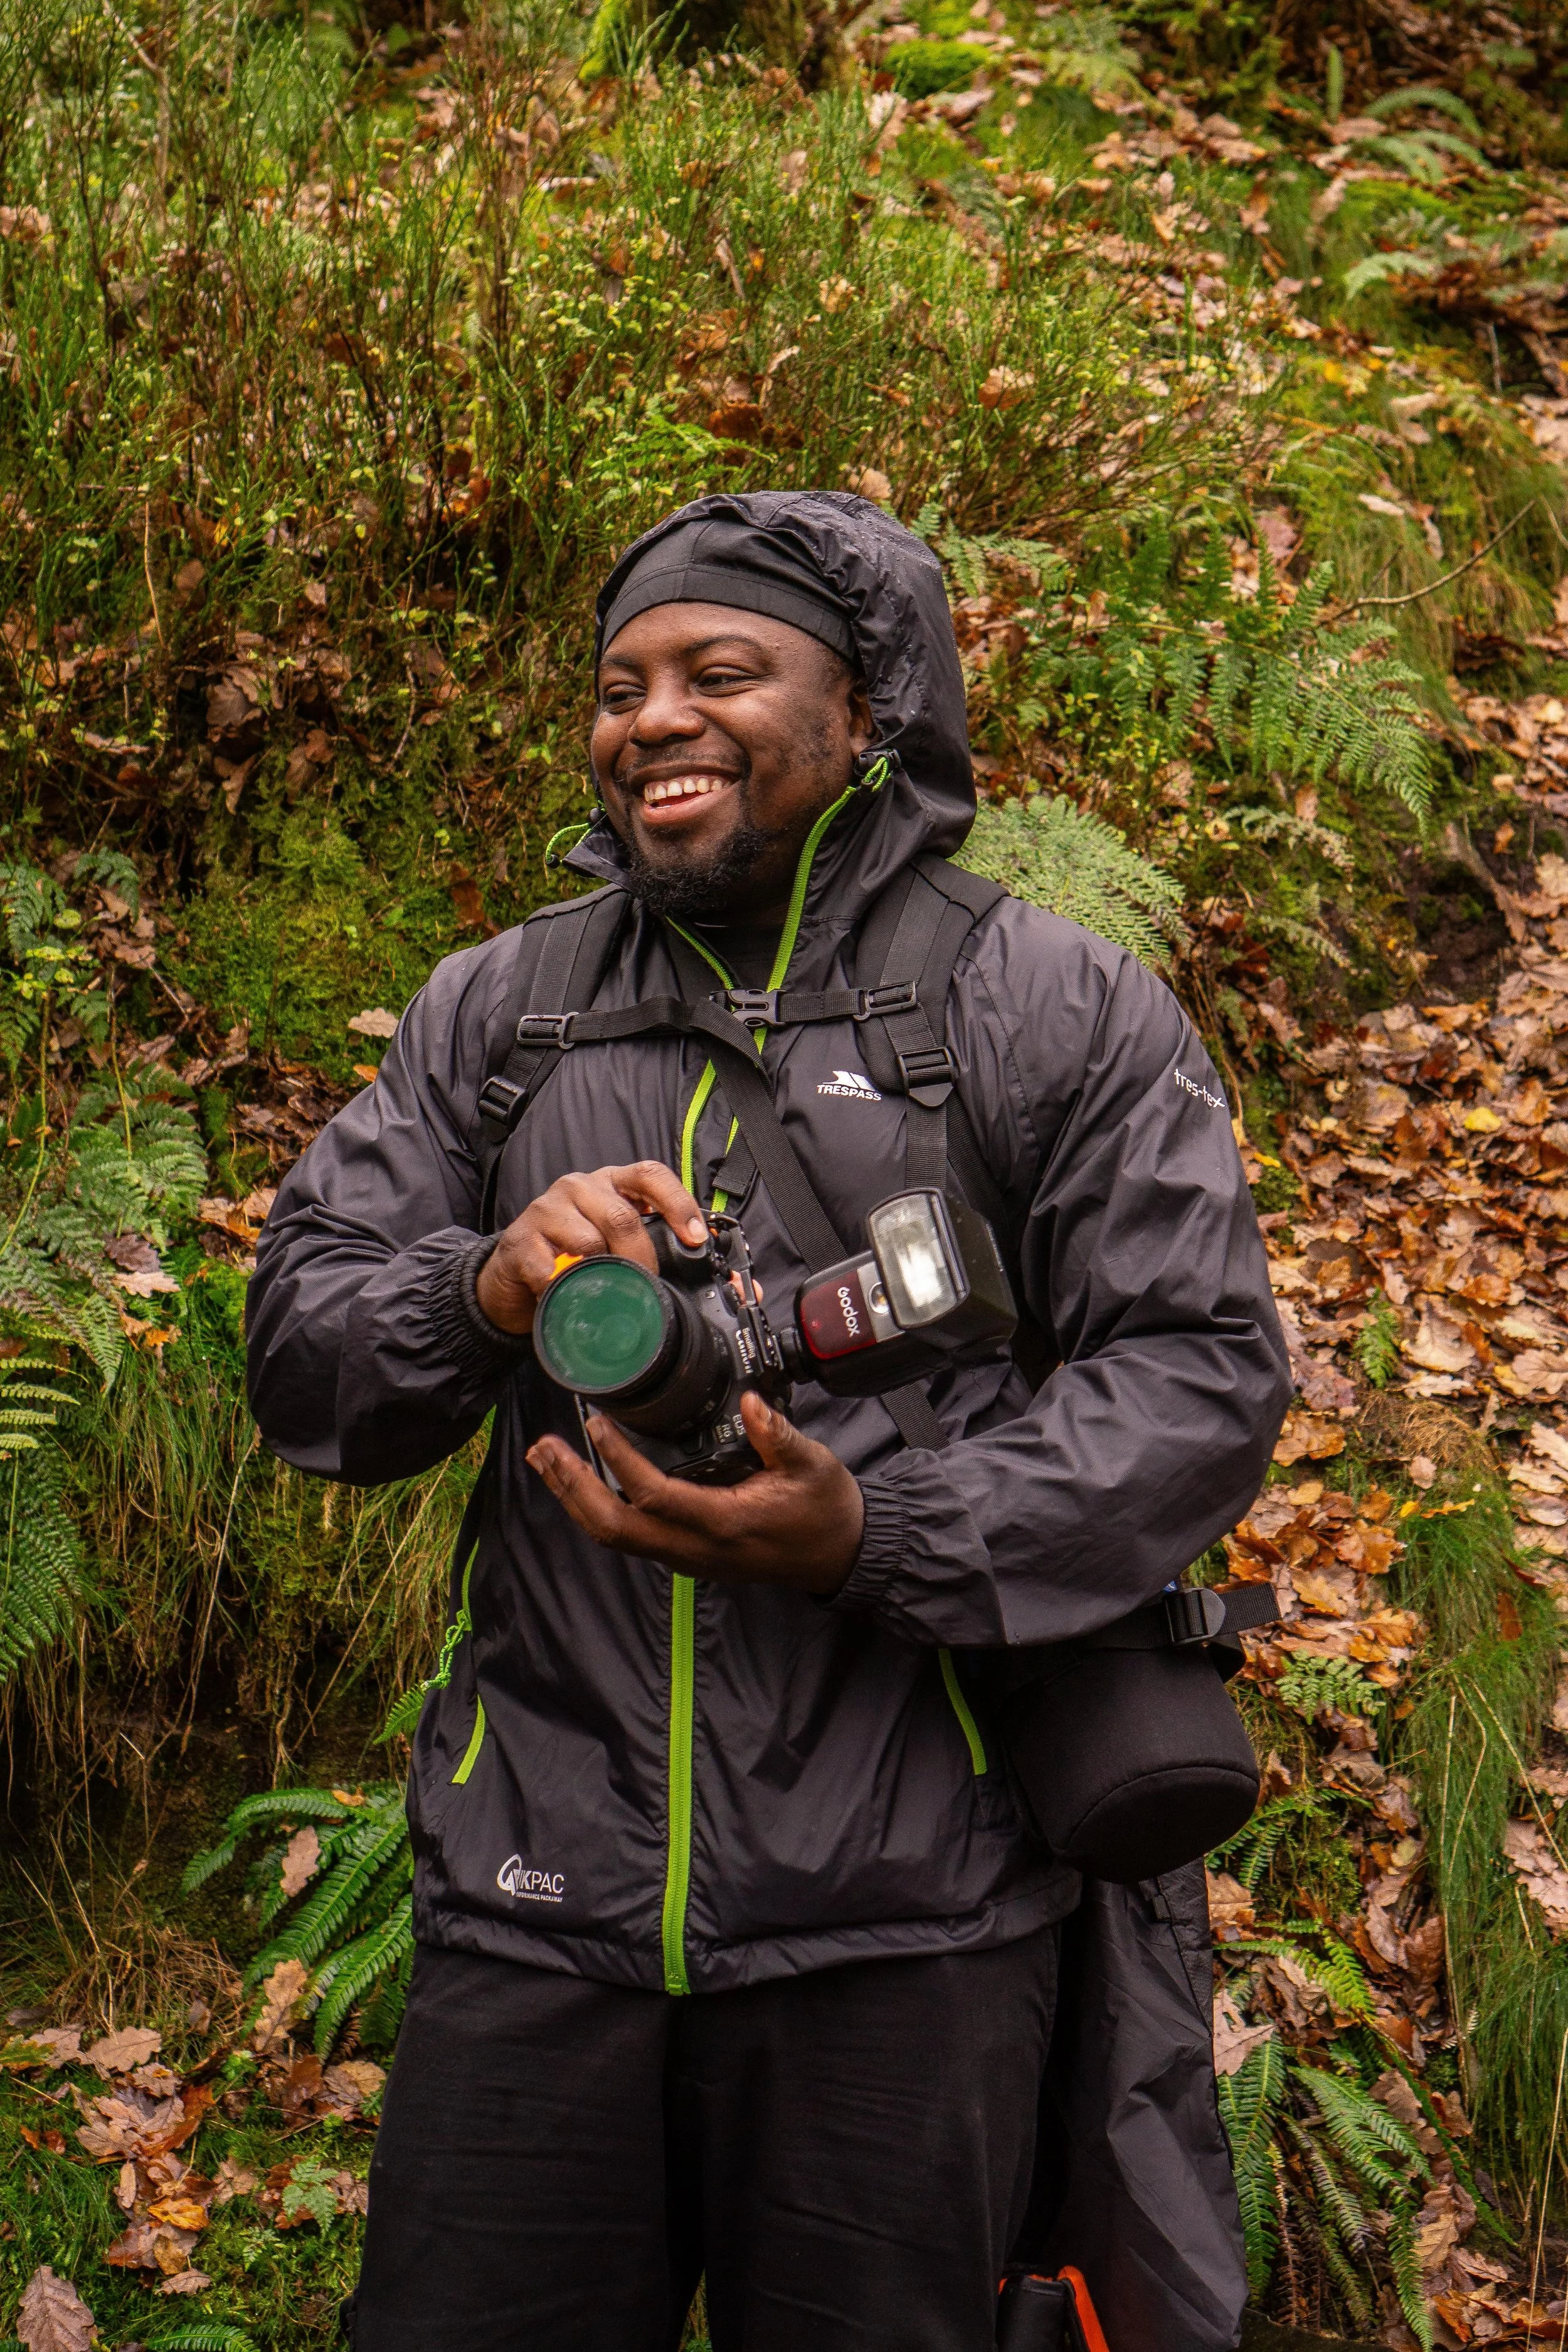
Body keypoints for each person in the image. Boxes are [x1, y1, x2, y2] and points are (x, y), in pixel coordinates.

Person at [246, 490, 1293, 2352]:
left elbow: (1198, 1372)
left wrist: (875, 1537)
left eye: (719, 670)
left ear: (870, 703)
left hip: (914, 1923)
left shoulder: (1045, 1006)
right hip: (532, 1902)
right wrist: (483, 1287)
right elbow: (303, 1357)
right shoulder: (503, 1013)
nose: (652, 715)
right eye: (620, 682)